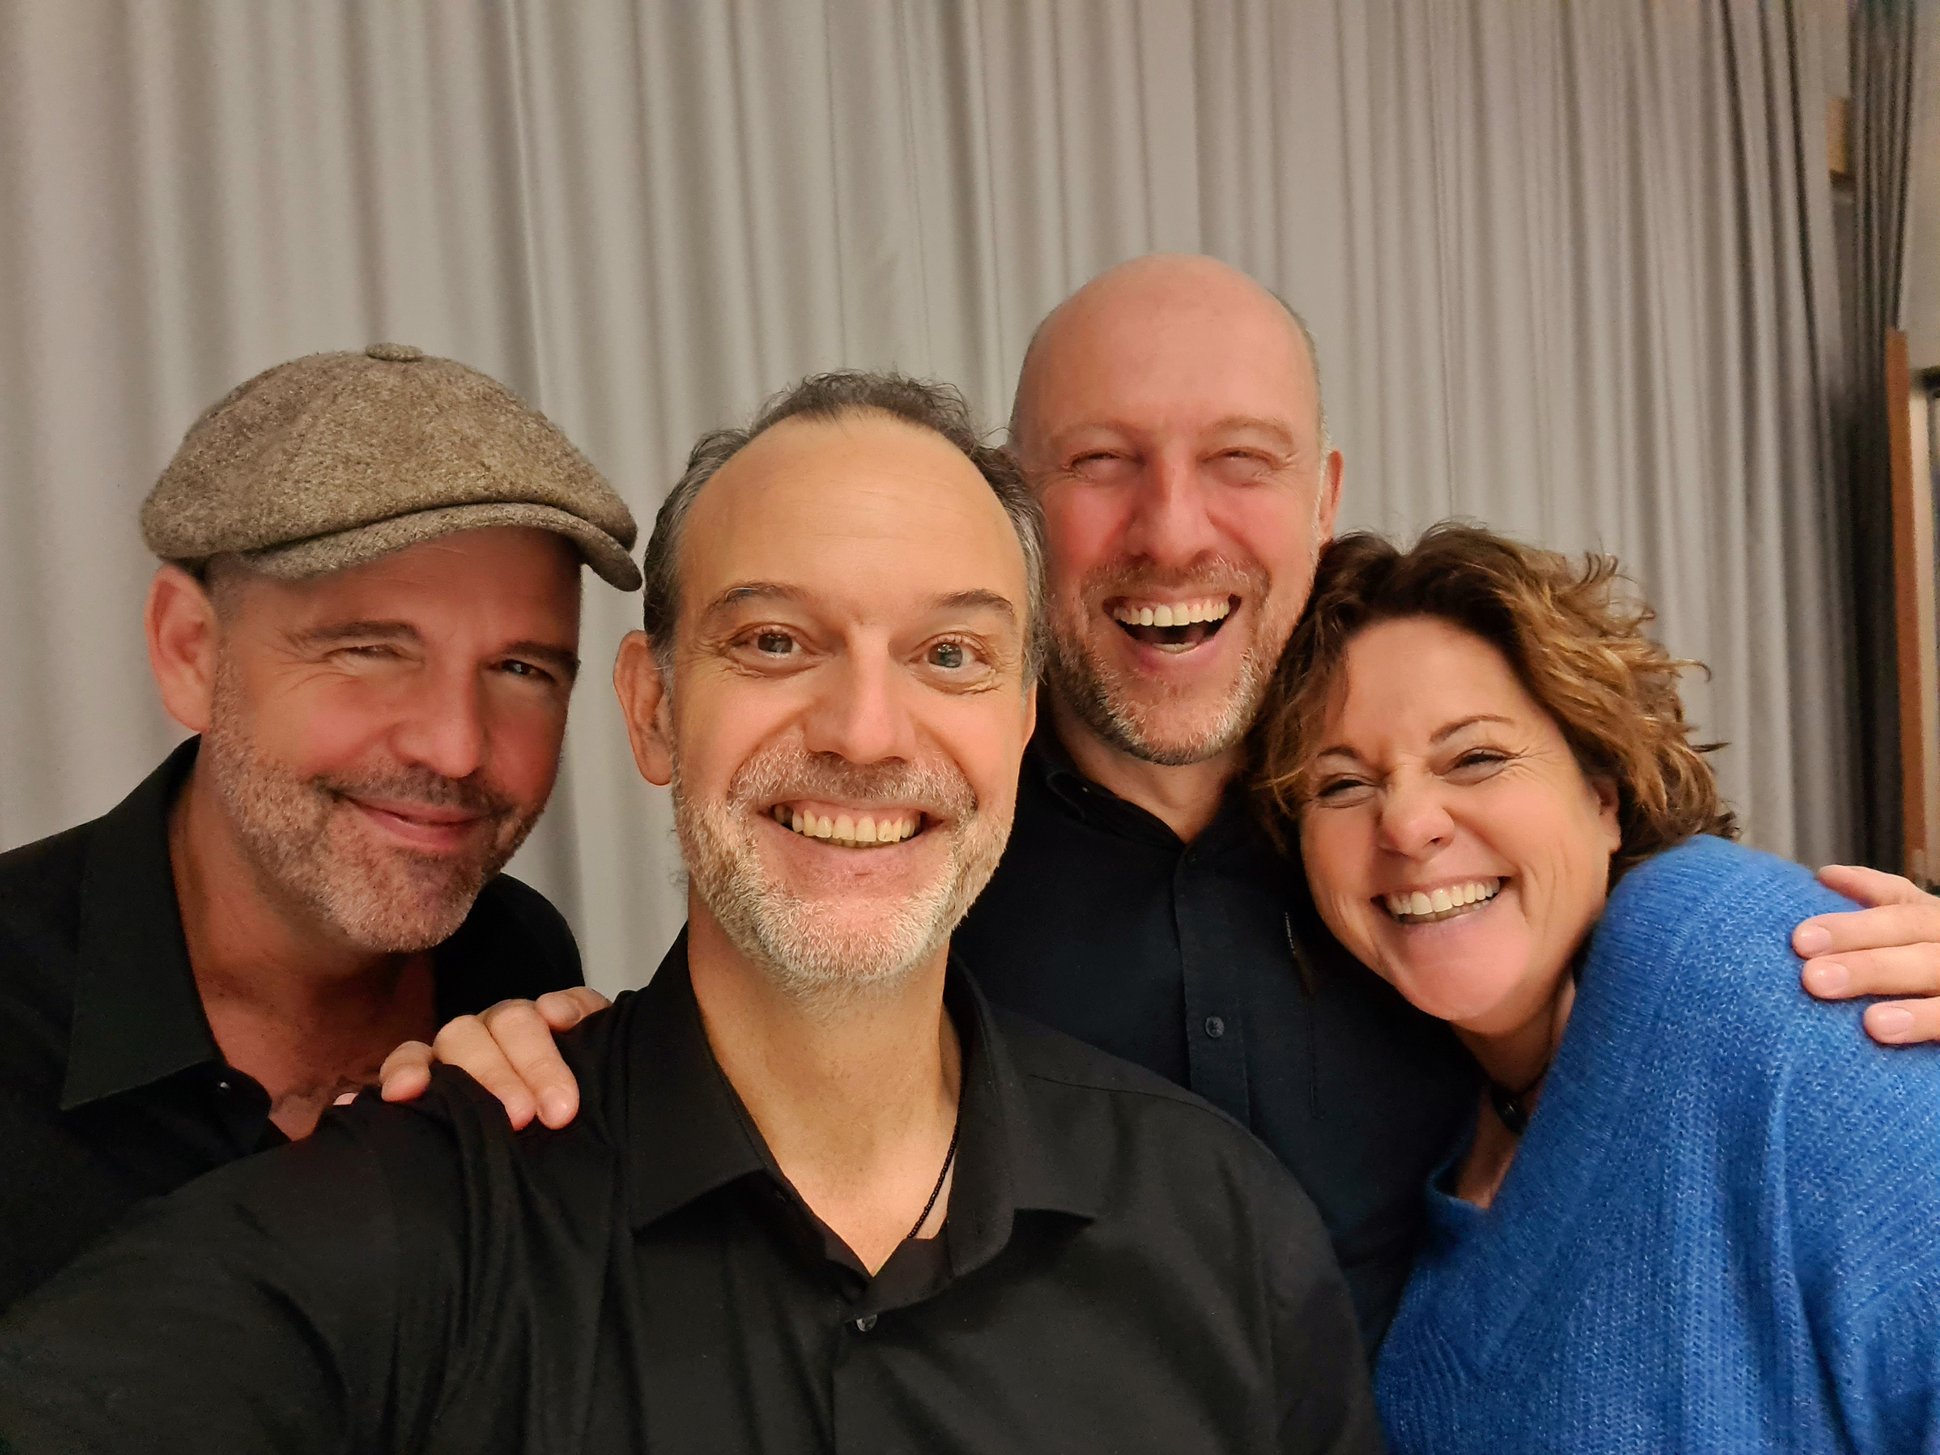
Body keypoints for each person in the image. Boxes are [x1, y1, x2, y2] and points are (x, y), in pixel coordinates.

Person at [402, 254, 1940, 1346]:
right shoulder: (903, 833)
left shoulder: (1434, 850)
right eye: (1103, 462)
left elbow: (1730, 1018)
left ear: (1323, 498)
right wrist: (533, 1043)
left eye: (1241, 461)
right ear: (1015, 508)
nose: (1173, 529)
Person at [0, 372, 1381, 1455]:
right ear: (654, 707)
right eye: (773, 640)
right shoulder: (411, 1217)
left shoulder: (1224, 1229)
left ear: (1022, 717)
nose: (864, 729)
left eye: (951, 652)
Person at [1258, 524, 1940, 1451]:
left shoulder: (1737, 963)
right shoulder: (1394, 1128)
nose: (1408, 824)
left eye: (1475, 757)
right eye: (1341, 785)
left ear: (1604, 795)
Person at [0, 343, 633, 1311]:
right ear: (190, 652)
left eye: (521, 669)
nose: (456, 749)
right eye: (370, 651)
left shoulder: (514, 956)